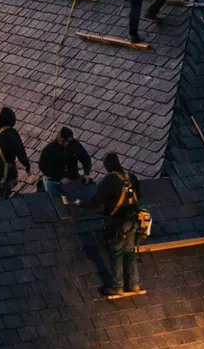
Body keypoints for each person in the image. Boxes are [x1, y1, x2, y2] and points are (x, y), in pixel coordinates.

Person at [84, 153, 143, 297]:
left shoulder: (110, 179)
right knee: (130, 252)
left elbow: (96, 202)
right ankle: (134, 284)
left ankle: (118, 287)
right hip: (134, 221)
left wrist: (81, 205)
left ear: (108, 166)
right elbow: (139, 196)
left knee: (116, 253)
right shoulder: (131, 177)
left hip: (118, 223)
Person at [37, 127, 92, 212]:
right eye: (65, 141)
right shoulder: (50, 150)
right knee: (56, 201)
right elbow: (43, 166)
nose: (67, 143)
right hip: (55, 178)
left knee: (79, 196)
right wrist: (60, 177)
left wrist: (86, 173)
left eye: (69, 142)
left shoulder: (75, 145)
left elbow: (86, 159)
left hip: (72, 176)